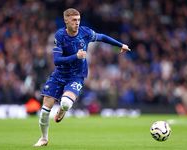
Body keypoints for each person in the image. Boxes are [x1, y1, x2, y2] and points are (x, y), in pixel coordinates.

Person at [34, 8, 130, 147]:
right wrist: (76, 56)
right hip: (59, 75)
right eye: (74, 20)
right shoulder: (60, 35)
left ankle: (62, 110)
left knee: (66, 103)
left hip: (76, 76)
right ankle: (44, 138)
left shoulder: (85, 32)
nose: (77, 23)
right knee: (44, 112)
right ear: (66, 20)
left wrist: (121, 45)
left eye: (78, 20)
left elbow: (102, 37)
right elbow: (57, 60)